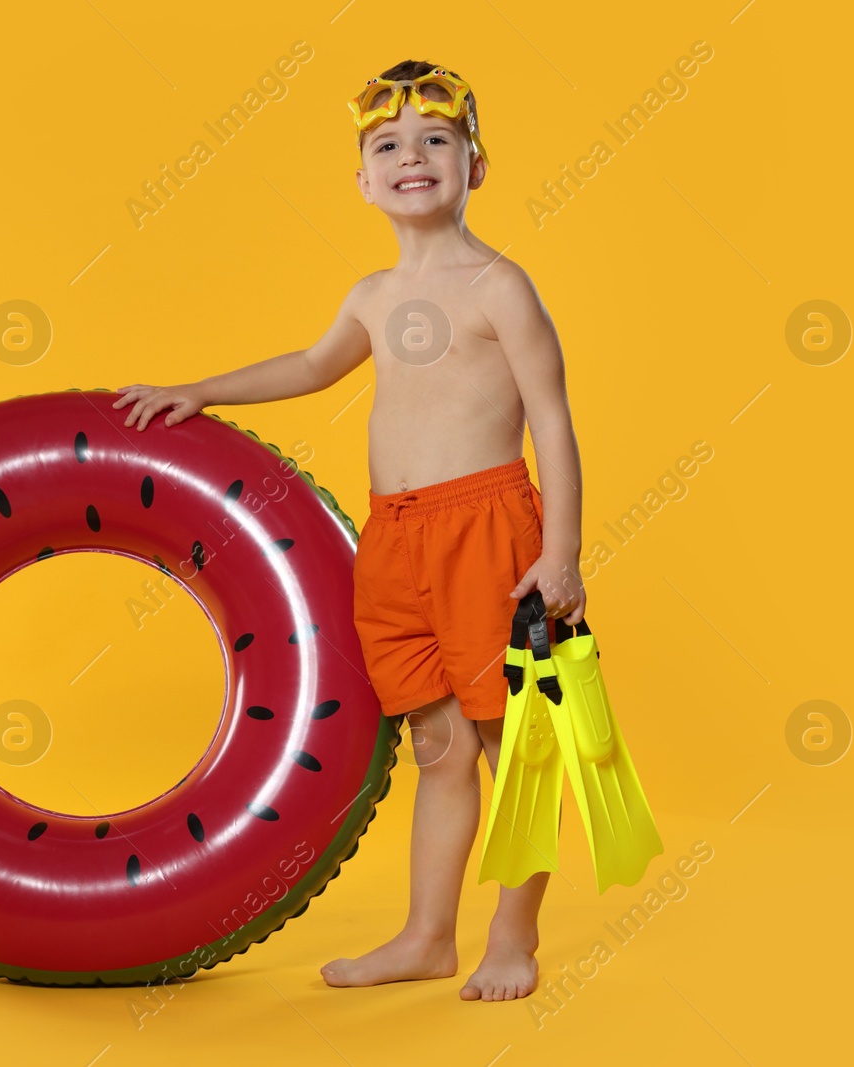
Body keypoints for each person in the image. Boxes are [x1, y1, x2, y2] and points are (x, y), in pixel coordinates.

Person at [112, 60, 585, 1003]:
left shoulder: (501, 287)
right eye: (388, 147)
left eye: (436, 141)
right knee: (440, 749)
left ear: (475, 165)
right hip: (396, 540)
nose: (412, 157)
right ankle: (425, 934)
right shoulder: (372, 296)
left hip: (488, 530)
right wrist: (200, 390)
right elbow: (311, 365)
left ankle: (514, 934)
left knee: (514, 747)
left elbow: (554, 422)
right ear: (364, 181)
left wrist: (561, 552)